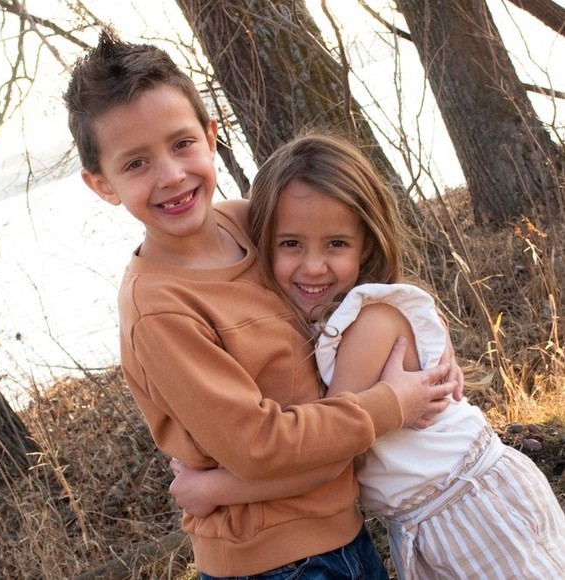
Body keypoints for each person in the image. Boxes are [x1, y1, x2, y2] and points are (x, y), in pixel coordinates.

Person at [63, 33, 460, 579]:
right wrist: (391, 404)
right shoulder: (159, 310)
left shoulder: (253, 221)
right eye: (135, 163)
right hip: (270, 562)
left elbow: (360, 278)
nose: (171, 175)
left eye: (182, 143)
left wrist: (427, 336)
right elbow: (260, 445)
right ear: (102, 185)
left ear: (211, 136)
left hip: (343, 531)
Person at [169, 133, 565, 579]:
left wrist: (212, 488)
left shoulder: (370, 324)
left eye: (336, 244)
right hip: (427, 518)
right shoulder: (340, 320)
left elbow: (331, 452)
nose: (313, 266)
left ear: (367, 246)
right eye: (291, 243)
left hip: (467, 510)